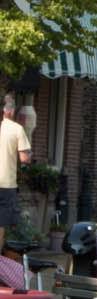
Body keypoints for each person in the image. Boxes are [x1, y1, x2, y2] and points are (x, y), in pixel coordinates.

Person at [0, 95, 32, 256]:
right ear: (11, 111)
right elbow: (24, 158)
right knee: (0, 226)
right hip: (6, 185)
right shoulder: (16, 129)